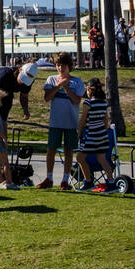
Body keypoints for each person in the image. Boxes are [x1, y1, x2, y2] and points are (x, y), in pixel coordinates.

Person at [39, 52, 84, 190]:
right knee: (51, 149)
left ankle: (65, 180)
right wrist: (58, 86)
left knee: (68, 151)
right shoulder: (51, 80)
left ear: (69, 66)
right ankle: (49, 178)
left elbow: (77, 100)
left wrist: (67, 87)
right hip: (55, 122)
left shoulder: (77, 81)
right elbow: (47, 98)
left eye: (63, 65)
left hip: (71, 122)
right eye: (58, 65)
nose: (60, 68)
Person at [75, 78, 114, 190]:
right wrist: (105, 129)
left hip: (91, 135)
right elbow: (106, 119)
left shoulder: (87, 103)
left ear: (89, 90)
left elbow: (83, 119)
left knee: (80, 158)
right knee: (102, 159)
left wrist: (79, 131)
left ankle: (88, 181)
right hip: (102, 134)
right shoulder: (103, 102)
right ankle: (111, 183)